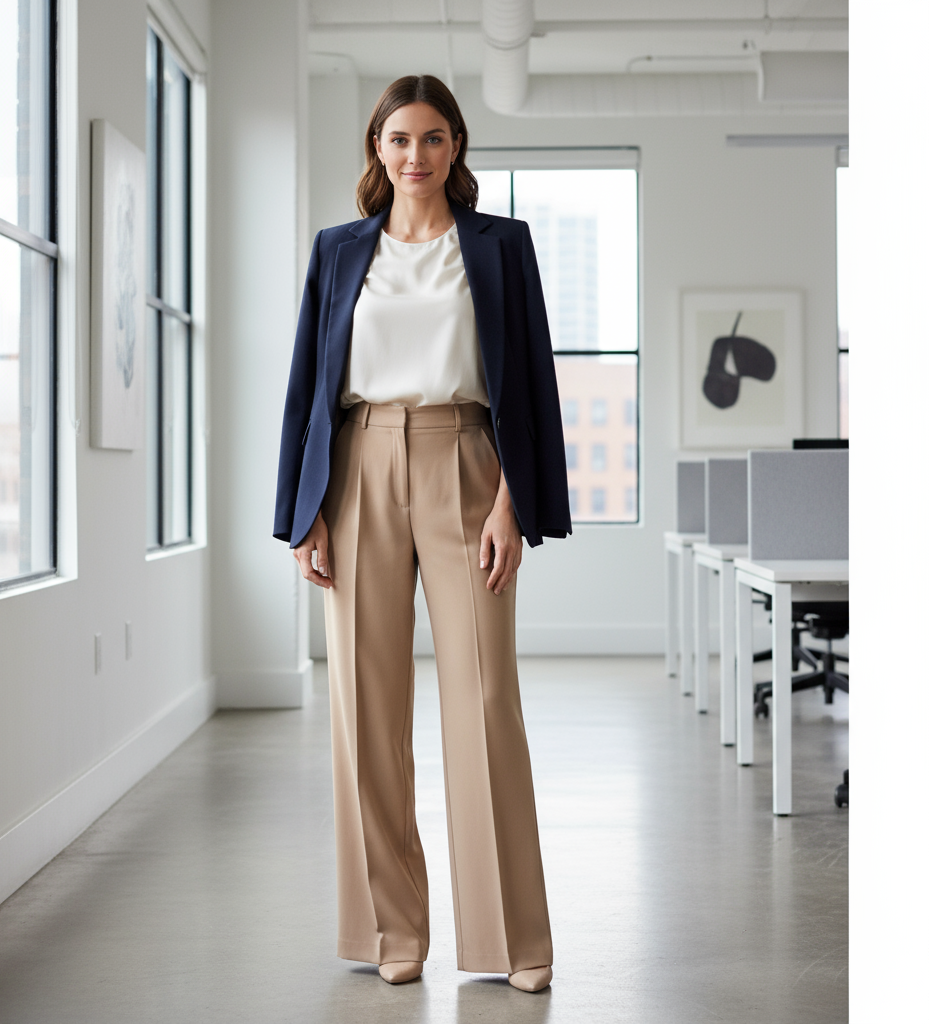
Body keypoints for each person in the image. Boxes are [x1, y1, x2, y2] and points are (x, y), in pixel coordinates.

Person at [274, 75, 571, 993]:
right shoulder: (337, 251)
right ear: (377, 148)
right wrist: (304, 510)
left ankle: (513, 944)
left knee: (486, 704)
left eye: (433, 138)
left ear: (457, 146)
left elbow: (531, 381)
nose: (416, 156)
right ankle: (391, 931)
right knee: (365, 714)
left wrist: (516, 501)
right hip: (358, 469)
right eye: (399, 139)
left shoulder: (500, 245)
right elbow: (306, 389)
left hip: (466, 462)